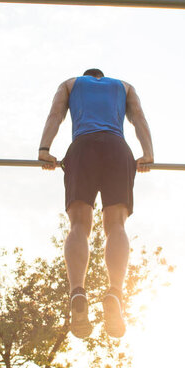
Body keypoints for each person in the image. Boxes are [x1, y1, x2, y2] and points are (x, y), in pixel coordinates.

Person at [38, 68, 153, 339]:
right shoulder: (125, 86)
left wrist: (44, 149)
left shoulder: (69, 83)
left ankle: (77, 290)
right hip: (117, 147)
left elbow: (55, 115)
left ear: (88, 76)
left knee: (79, 225)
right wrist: (148, 153)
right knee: (116, 226)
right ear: (102, 77)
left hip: (83, 147)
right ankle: (115, 292)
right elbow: (139, 119)